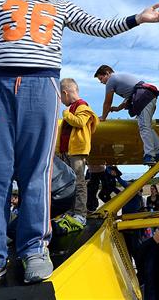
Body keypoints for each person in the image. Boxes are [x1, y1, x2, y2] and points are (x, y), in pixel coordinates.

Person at [0, 0, 159, 292]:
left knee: (36, 173)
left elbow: (99, 26)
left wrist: (136, 18)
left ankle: (34, 248)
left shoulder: (62, 7)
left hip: (42, 86)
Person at [95, 65, 159, 164]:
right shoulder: (120, 79)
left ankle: (149, 155)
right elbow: (129, 97)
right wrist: (117, 109)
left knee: (144, 127)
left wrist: (103, 117)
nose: (101, 82)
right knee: (147, 127)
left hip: (144, 97)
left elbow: (107, 102)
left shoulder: (111, 80)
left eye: (101, 79)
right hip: (148, 96)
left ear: (107, 73)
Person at [57, 77, 98, 225]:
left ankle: (80, 213)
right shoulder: (72, 109)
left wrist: (66, 114)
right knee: (68, 184)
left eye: (61, 97)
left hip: (76, 151)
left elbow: (80, 122)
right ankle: (70, 211)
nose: (61, 101)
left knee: (79, 182)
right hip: (66, 151)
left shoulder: (82, 106)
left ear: (65, 93)